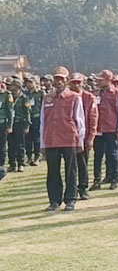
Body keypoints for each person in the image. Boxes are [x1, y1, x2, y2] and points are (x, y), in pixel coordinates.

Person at [40, 67, 86, 211]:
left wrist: (80, 141)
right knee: (52, 171)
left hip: (68, 138)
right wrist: (42, 143)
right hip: (51, 139)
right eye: (56, 79)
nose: (58, 82)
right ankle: (54, 201)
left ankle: (70, 199)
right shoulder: (47, 98)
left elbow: (80, 120)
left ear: (67, 80)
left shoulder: (74, 97)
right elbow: (43, 121)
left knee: (70, 170)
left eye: (61, 79)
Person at [91, 70, 118, 191]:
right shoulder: (96, 93)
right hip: (98, 128)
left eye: (101, 80)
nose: (98, 82)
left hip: (111, 128)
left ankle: (114, 178)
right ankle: (97, 180)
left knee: (113, 154)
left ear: (108, 80)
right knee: (98, 155)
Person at [68, 73, 97, 200]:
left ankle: (83, 187)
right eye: (74, 82)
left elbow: (93, 118)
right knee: (70, 166)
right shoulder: (66, 96)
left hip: (83, 136)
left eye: (78, 82)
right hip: (68, 137)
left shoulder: (88, 97)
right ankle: (72, 189)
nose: (76, 85)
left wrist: (90, 137)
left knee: (83, 163)